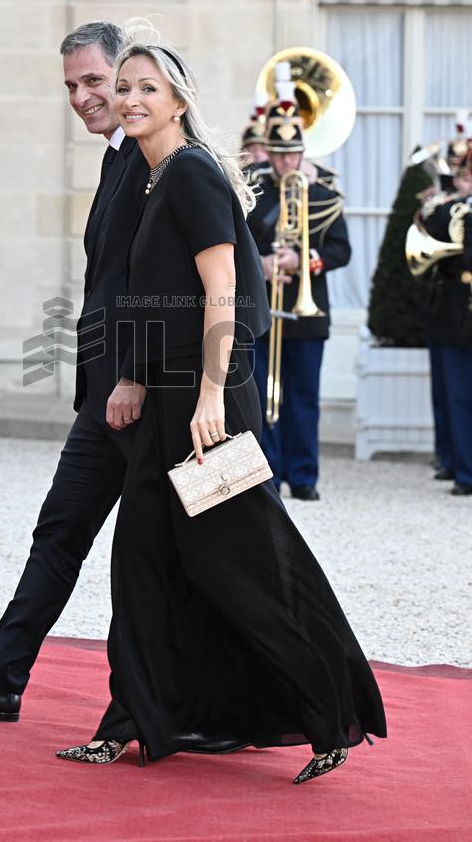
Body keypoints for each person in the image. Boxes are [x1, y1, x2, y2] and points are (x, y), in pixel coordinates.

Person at [55, 42, 386, 784]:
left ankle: (332, 716)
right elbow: (153, 294)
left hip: (209, 400)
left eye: (148, 88)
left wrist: (207, 396)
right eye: (126, 86)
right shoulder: (152, 179)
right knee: (142, 560)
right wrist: (133, 379)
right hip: (165, 401)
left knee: (245, 561)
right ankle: (131, 718)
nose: (131, 98)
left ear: (178, 100)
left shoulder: (195, 174)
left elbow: (225, 291)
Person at [0, 21, 150, 721]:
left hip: (147, 399)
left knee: (184, 559)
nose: (81, 96)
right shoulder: (115, 158)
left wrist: (134, 375)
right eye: (71, 85)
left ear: (129, 75)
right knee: (60, 531)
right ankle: (0, 677)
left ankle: (200, 704)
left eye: (93, 81)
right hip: (104, 398)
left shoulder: (159, 159)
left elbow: (168, 284)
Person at [246, 83, 351, 500]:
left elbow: (342, 250)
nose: (287, 160)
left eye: (293, 153)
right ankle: (267, 475)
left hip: (308, 314)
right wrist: (265, 265)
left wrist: (301, 261)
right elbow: (233, 245)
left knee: (303, 398)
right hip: (263, 311)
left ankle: (304, 476)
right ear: (269, 152)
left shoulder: (324, 196)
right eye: (279, 153)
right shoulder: (249, 193)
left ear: (303, 153)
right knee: (261, 395)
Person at [419, 148, 472, 496]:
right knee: (456, 394)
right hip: (457, 312)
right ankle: (463, 470)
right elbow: (431, 239)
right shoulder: (451, 210)